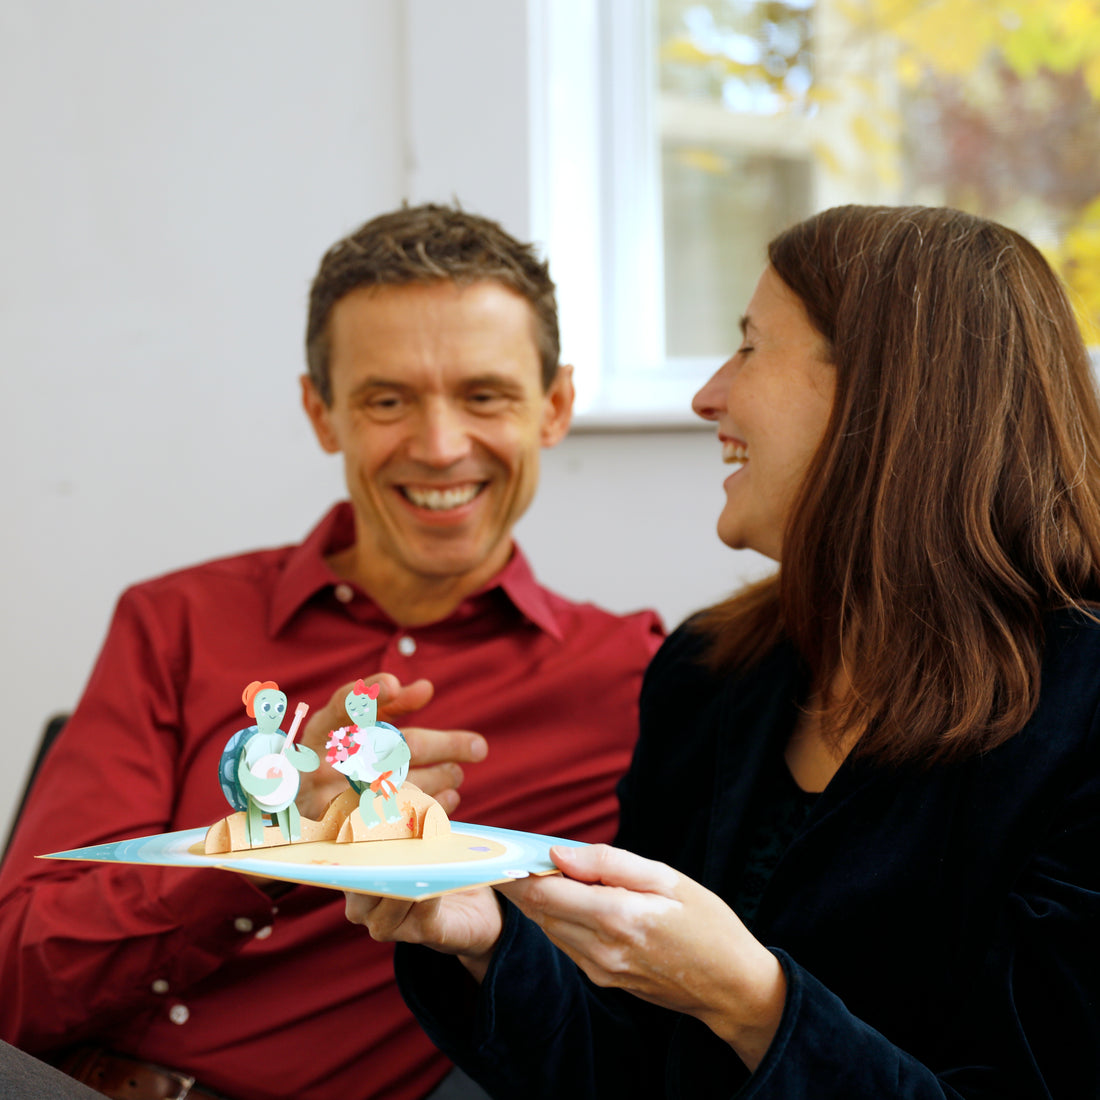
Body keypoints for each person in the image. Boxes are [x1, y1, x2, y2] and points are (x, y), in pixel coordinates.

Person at [347, 204, 1100, 1098]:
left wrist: (754, 1004)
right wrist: (483, 942)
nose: (709, 394)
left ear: (881, 391)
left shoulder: (1084, 709)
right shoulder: (712, 673)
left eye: (750, 347)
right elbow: (623, 1068)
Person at [0, 204, 663, 1100]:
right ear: (322, 412)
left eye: (484, 395)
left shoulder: (636, 678)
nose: (439, 447)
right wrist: (267, 842)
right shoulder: (177, 622)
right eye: (387, 400)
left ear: (554, 406)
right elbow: (13, 978)